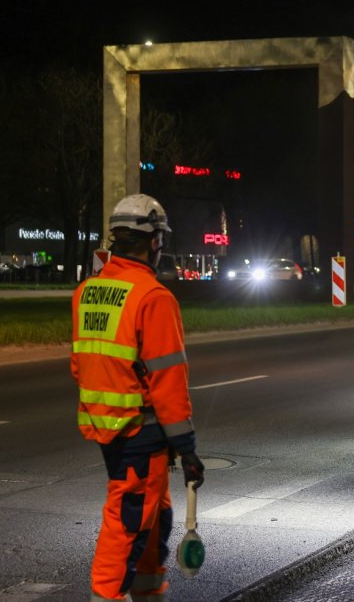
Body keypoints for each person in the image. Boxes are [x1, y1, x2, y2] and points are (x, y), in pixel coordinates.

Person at [72, 193, 204, 601]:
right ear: (154, 241)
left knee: (153, 517)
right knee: (127, 524)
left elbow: (80, 365)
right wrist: (187, 448)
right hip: (141, 432)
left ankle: (150, 593)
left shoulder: (88, 292)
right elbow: (168, 381)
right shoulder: (153, 297)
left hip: (108, 426)